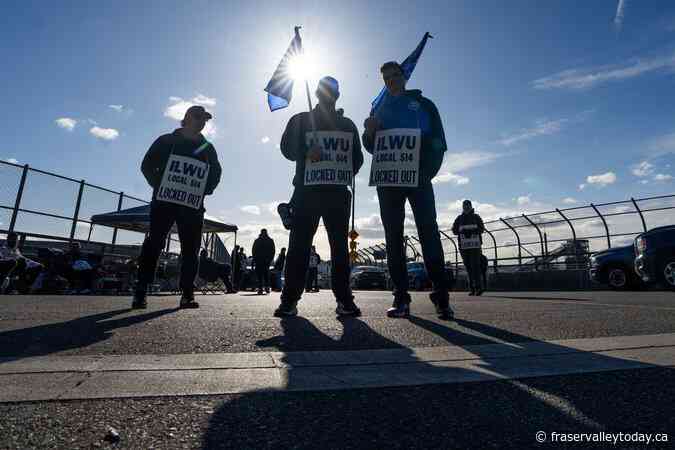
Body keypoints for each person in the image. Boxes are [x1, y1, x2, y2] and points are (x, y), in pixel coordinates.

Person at [362, 61, 452, 319]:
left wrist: (425, 171)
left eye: (394, 75)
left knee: (428, 232)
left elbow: (439, 142)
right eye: (386, 77)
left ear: (404, 76)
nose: (391, 80)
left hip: (418, 178)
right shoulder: (378, 108)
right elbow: (371, 146)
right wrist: (369, 133)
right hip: (388, 181)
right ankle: (401, 296)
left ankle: (441, 296)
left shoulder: (424, 105)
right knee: (393, 237)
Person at [274, 76, 364, 317]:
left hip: (336, 193)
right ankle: (289, 300)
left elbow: (358, 159)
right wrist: (305, 151)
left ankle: (344, 299)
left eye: (331, 90)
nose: (327, 94)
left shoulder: (347, 125)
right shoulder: (301, 120)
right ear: (316, 93)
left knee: (339, 248)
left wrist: (341, 169)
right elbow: (285, 149)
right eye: (324, 90)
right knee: (299, 246)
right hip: (307, 192)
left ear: (337, 95)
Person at [132, 105, 222, 309]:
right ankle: (141, 290)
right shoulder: (167, 141)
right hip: (164, 202)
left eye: (205, 119)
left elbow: (216, 172)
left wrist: (205, 190)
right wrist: (159, 184)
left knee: (191, 249)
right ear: (187, 117)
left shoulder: (207, 148)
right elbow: (147, 165)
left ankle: (187, 293)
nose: (202, 122)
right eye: (198, 117)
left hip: (192, 205)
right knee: (154, 243)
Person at [452, 200, 486, 296]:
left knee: (475, 265)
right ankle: (472, 288)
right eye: (465, 206)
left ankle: (478, 287)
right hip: (464, 246)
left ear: (471, 206)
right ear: (463, 207)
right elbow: (454, 230)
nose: (466, 207)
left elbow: (482, 228)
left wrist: (473, 230)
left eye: (468, 205)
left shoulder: (476, 217)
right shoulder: (459, 218)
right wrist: (462, 230)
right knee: (468, 267)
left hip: (475, 246)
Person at [252, 229, 275, 294]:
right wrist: (270, 259)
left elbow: (253, 251)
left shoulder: (257, 241)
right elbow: (273, 251)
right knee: (266, 274)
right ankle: (267, 288)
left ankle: (260, 289)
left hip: (259, 261)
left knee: (260, 275)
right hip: (266, 261)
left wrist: (255, 259)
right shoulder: (270, 240)